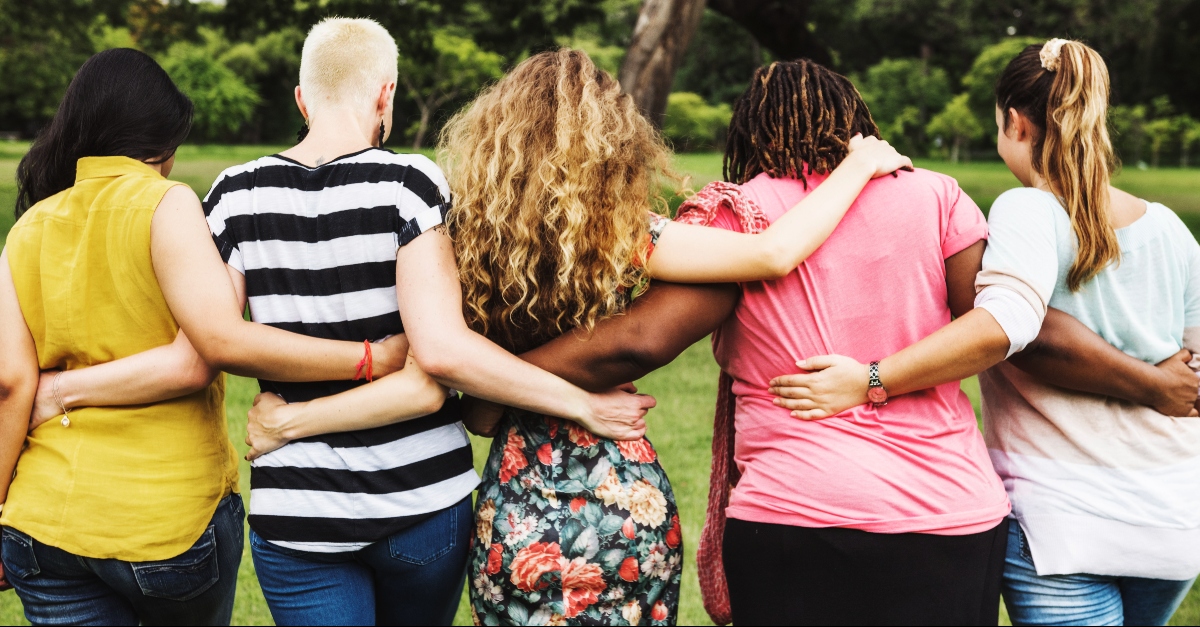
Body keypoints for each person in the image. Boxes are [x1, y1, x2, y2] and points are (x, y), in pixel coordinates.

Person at [244, 47, 911, 625]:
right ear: (611, 139)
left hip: (516, 503)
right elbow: (771, 254)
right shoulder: (620, 230)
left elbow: (467, 398)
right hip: (621, 495)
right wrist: (856, 167)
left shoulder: (461, 235)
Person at [27, 25, 659, 627]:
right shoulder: (410, 183)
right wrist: (584, 405)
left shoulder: (234, 194)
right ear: (385, 94)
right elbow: (442, 351)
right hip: (421, 504)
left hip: (297, 511)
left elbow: (207, 341)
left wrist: (59, 390)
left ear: (302, 98)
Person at [775, 40, 1200, 625]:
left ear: (1014, 123)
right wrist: (1157, 383)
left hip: (1065, 521)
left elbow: (1008, 324)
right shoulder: (1171, 227)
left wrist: (872, 379)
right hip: (1173, 519)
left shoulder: (1028, 211)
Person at [0, 48, 418, 626]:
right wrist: (370, 357)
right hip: (165, 522)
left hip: (42, 526)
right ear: (163, 144)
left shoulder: (27, 227)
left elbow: (8, 384)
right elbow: (209, 349)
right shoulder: (164, 203)